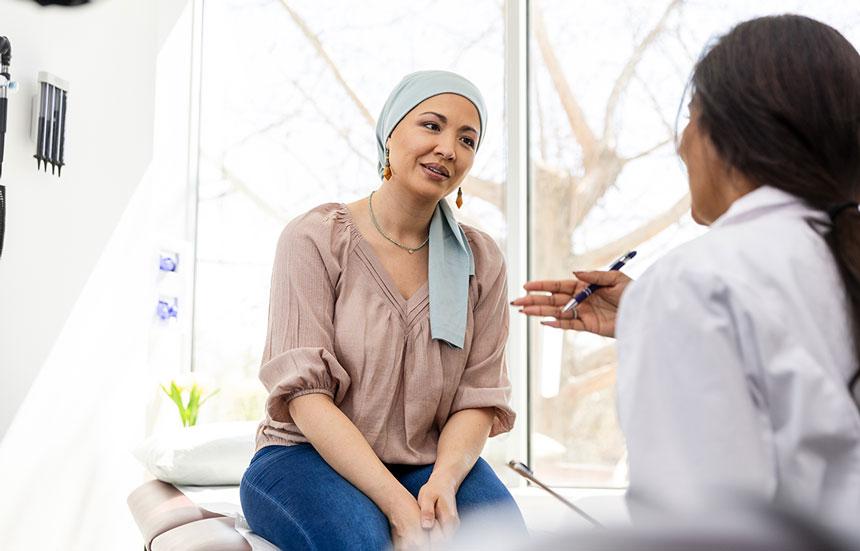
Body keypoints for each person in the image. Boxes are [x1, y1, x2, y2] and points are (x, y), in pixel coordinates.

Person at [512, 14, 860, 531]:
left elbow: (697, 532)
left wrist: (668, 308)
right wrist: (646, 312)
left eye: (692, 117)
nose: (680, 144)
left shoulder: (695, 281)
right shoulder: (823, 257)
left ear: (732, 133)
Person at [241, 70, 526, 551]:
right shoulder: (316, 237)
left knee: (504, 541)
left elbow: (478, 396)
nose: (448, 149)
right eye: (431, 126)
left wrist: (443, 482)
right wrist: (396, 503)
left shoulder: (482, 260)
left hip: (426, 461)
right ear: (390, 132)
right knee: (361, 541)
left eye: (467, 139)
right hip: (303, 456)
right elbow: (304, 396)